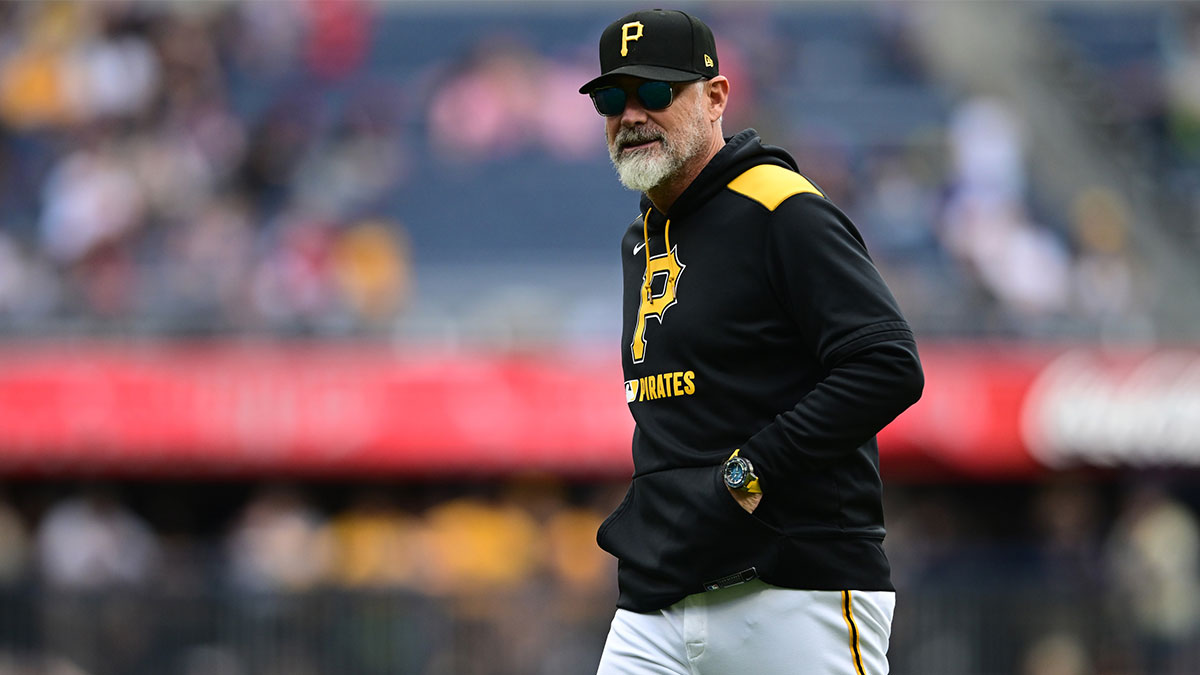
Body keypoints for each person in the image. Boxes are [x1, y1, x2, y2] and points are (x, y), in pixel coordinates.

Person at [578, 9, 925, 674]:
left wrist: (749, 470)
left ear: (715, 97)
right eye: (612, 99)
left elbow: (887, 363)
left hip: (795, 588)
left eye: (655, 93)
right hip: (659, 597)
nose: (631, 115)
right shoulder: (643, 234)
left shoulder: (782, 207)